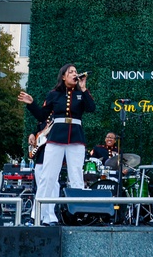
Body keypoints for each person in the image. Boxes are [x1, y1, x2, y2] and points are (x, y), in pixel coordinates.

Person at [18, 64, 95, 225]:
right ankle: (38, 215)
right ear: (63, 76)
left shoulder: (81, 94)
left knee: (76, 176)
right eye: (71, 72)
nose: (74, 74)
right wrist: (31, 103)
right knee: (48, 176)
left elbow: (91, 108)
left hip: (76, 137)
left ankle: (77, 214)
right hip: (56, 137)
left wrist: (83, 88)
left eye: (75, 71)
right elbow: (42, 115)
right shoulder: (54, 94)